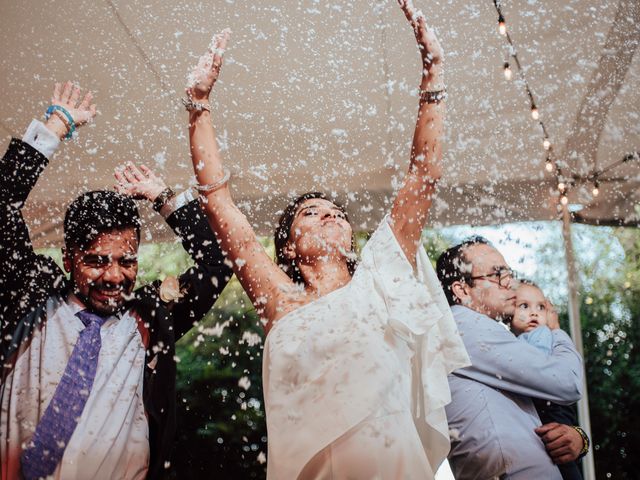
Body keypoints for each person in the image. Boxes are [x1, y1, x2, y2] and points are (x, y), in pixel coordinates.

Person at [183, 0, 469, 478]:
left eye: (336, 212)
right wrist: (198, 105)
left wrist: (433, 74)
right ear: (289, 247)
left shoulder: (380, 277)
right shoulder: (278, 298)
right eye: (311, 213)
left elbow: (422, 178)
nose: (330, 216)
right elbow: (219, 202)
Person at [0, 82, 232, 479]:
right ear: (68, 257)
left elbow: (218, 263)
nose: (113, 276)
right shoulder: (30, 295)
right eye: (95, 261)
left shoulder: (150, 319)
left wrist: (164, 197)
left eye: (126, 261)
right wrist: (55, 127)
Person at [435, 237, 589, 479]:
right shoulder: (463, 327)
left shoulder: (484, 336)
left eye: (508, 273)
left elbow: (542, 408)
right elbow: (567, 381)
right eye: (498, 275)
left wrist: (579, 438)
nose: (510, 284)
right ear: (462, 290)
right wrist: (555, 330)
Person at [511, 280, 588, 480]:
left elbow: (539, 373)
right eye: (524, 306)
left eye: (541, 307)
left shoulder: (540, 335)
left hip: (550, 414)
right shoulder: (516, 340)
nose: (534, 313)